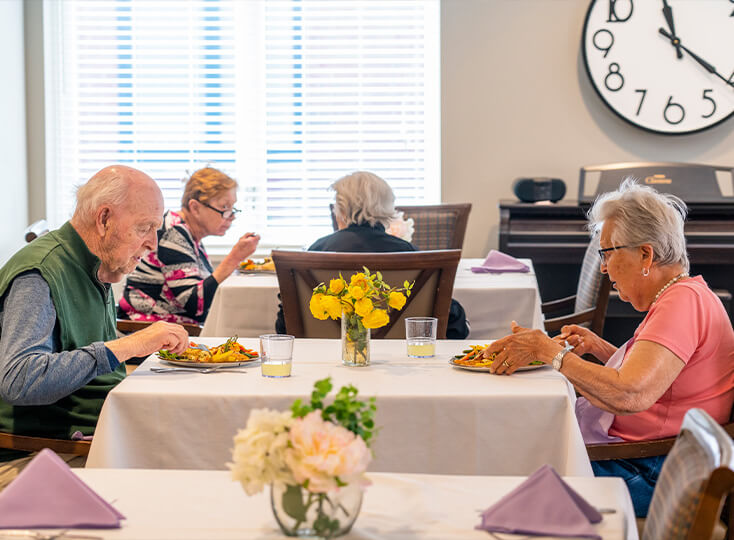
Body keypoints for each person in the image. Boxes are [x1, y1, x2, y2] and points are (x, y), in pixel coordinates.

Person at [481, 179, 734, 518]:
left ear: (646, 254)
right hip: (646, 460)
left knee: (504, 458)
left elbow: (631, 395)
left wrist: (551, 352)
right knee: (515, 437)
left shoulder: (681, 303)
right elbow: (668, 380)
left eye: (607, 253)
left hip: (650, 472)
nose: (603, 267)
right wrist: (602, 349)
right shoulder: (687, 294)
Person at [0, 165, 192, 488]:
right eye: (144, 227)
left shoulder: (96, 264)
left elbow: (81, 344)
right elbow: (20, 380)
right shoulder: (39, 275)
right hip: (42, 453)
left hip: (99, 432)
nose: (153, 245)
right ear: (104, 219)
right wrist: (129, 346)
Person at [276, 171, 470, 338]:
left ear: (341, 209)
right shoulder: (408, 253)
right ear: (387, 206)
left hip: (329, 356)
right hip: (401, 361)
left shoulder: (318, 250)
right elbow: (453, 325)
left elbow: (285, 324)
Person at [119, 167, 260, 324]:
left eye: (232, 208)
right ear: (195, 207)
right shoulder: (173, 232)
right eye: (224, 208)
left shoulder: (189, 234)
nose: (231, 217)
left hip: (168, 325)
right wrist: (234, 259)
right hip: (148, 326)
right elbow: (195, 304)